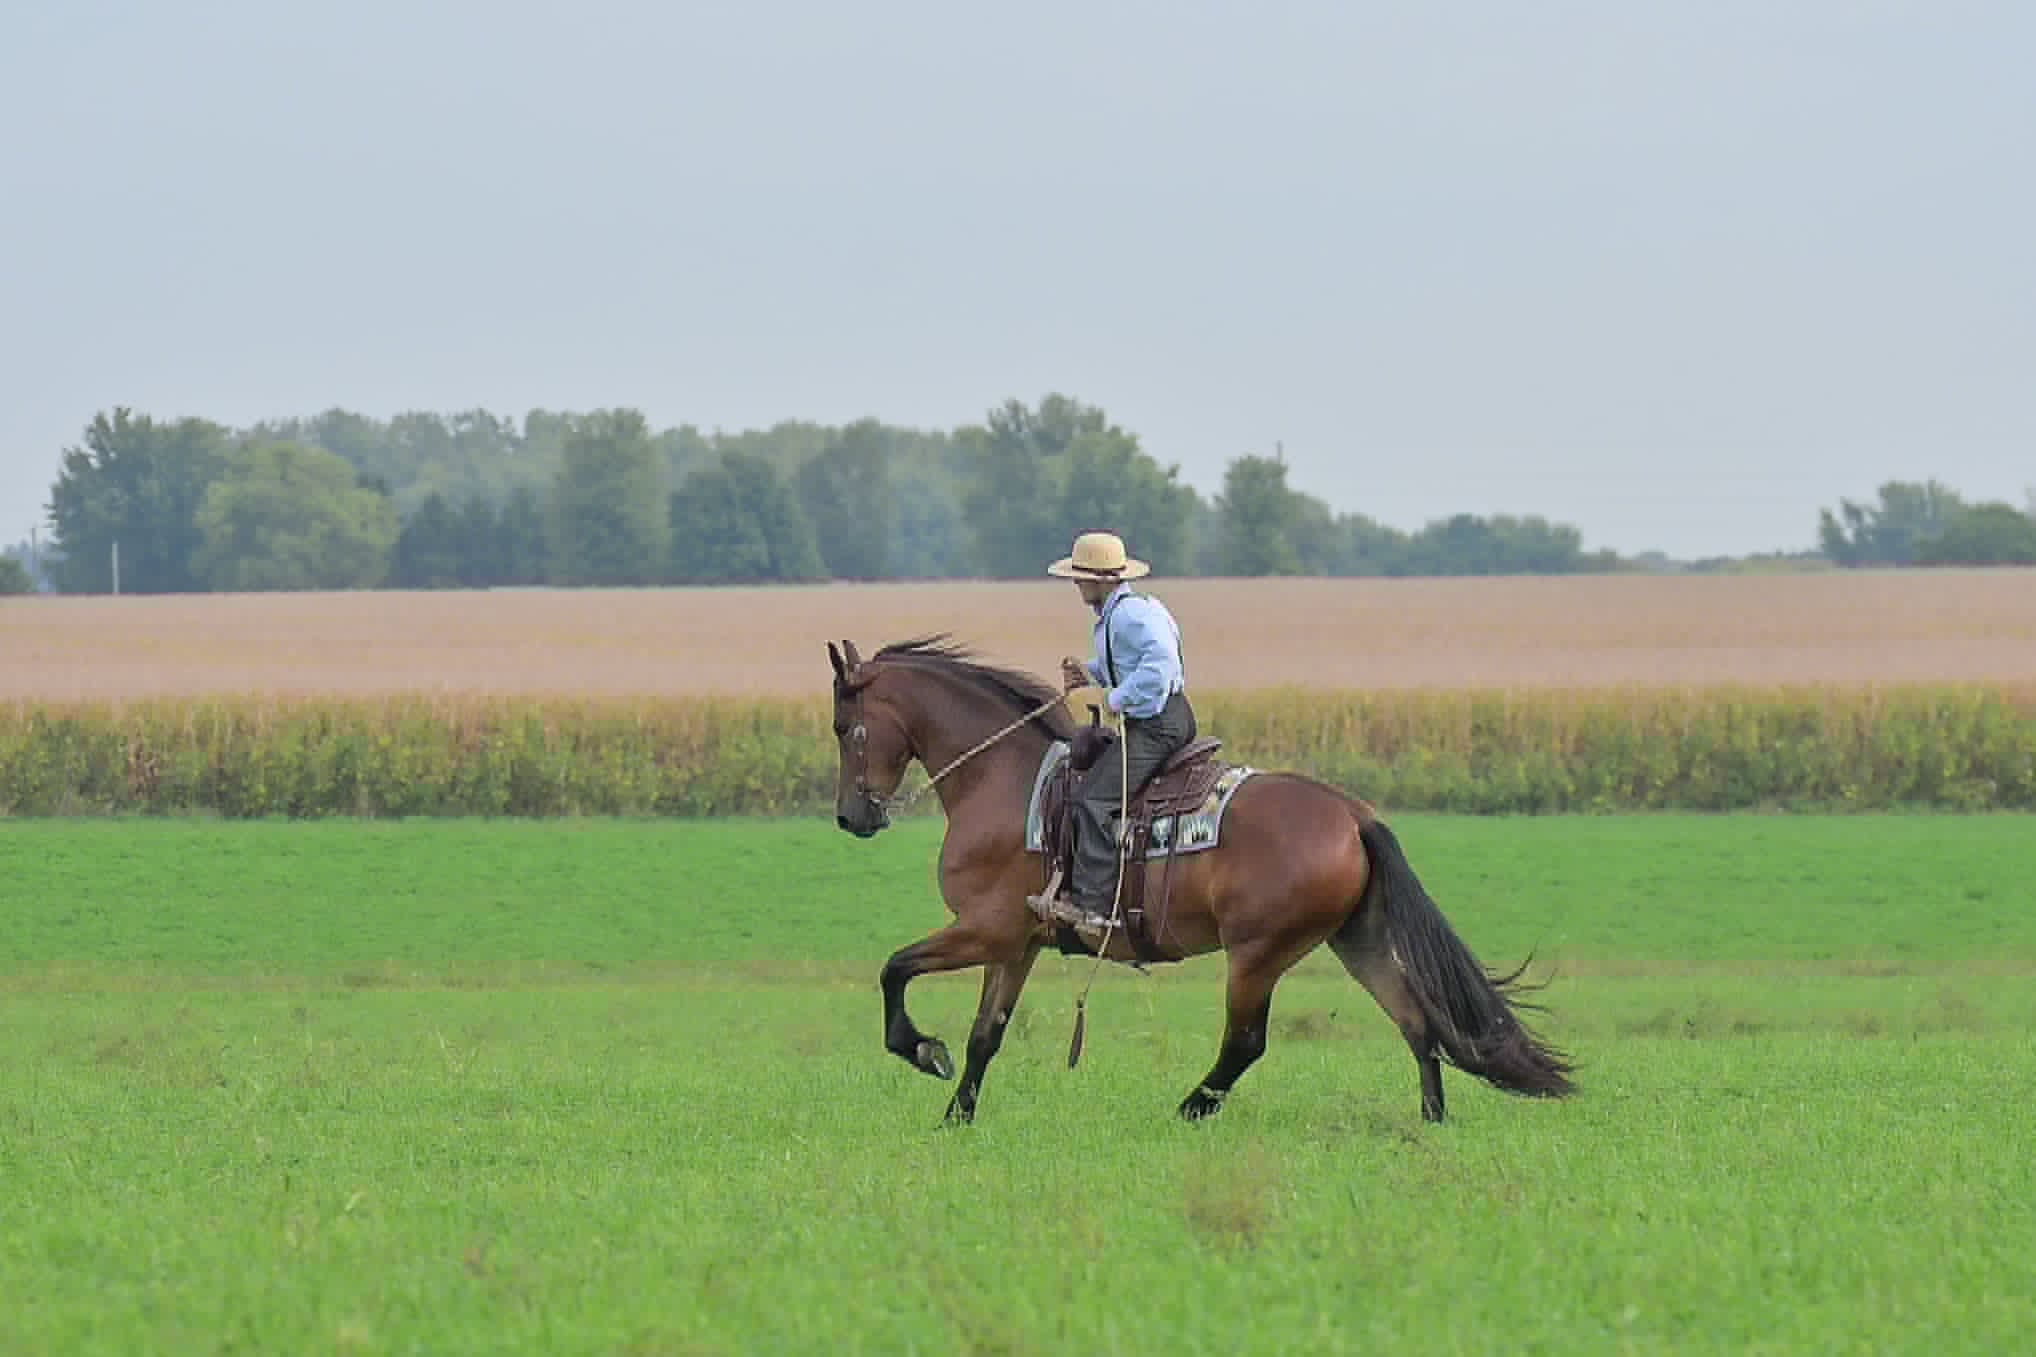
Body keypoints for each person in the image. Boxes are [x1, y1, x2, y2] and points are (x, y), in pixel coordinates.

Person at [1028, 530, 1197, 929]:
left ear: (1102, 580)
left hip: (1157, 726)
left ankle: (1096, 907)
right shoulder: (1120, 614)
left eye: (1081, 577)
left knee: (1093, 801)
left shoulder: (1127, 617)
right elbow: (1128, 664)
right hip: (1160, 720)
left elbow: (1160, 667)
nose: (1076, 584)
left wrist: (1113, 699)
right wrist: (1089, 673)